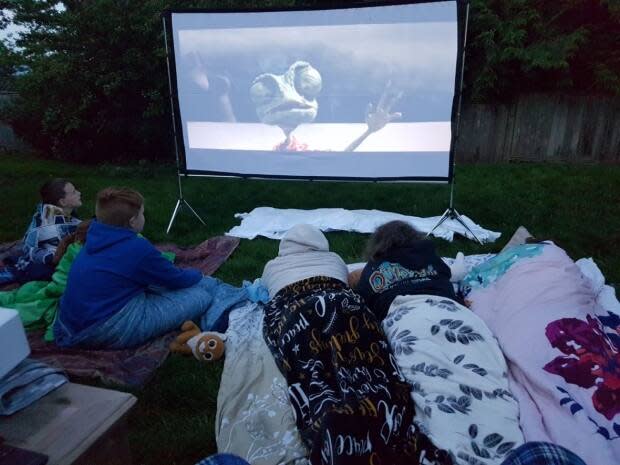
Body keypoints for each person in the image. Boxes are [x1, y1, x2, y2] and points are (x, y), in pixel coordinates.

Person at [261, 224, 452, 465]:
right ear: (322, 245)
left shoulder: (271, 267)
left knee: (313, 369)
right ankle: (387, 418)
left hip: (296, 308)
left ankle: (333, 427)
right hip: (342, 300)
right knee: (367, 359)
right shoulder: (335, 260)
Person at [54, 187, 211, 349]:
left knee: (151, 282)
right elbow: (177, 279)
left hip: (70, 323)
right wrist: (198, 274)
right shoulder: (136, 248)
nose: (144, 217)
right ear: (132, 221)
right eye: (142, 214)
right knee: (201, 295)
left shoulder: (94, 236)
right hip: (106, 328)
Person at [353, 220, 458, 321]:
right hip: (446, 305)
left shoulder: (375, 267)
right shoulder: (430, 257)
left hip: (402, 314)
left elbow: (362, 297)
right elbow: (445, 276)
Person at [0, 179, 82, 285]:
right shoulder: (54, 228)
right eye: (74, 192)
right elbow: (55, 257)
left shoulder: (47, 213)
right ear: (62, 202)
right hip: (34, 269)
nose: (79, 193)